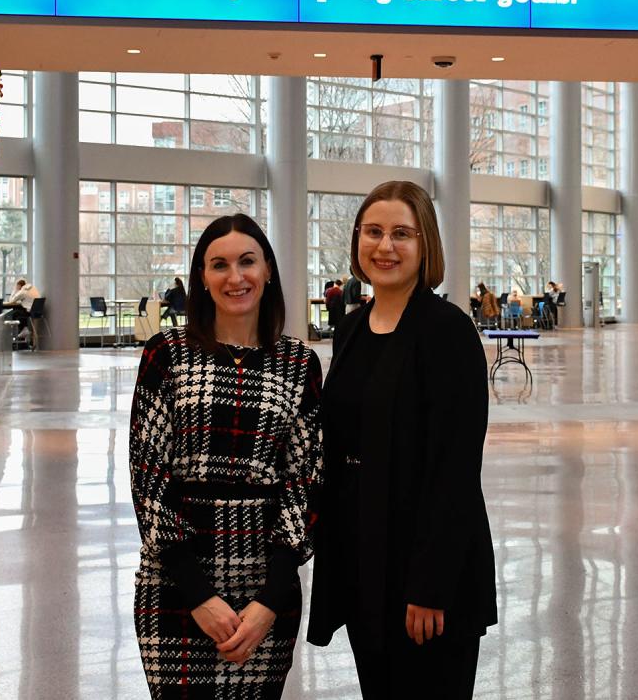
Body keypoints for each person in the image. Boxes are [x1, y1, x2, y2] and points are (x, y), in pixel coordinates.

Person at [308, 180, 496, 698]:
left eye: (400, 234)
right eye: (373, 232)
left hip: (425, 568)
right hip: (366, 557)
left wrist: (430, 585)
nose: (384, 246)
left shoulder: (447, 332)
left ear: (424, 244)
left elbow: (456, 469)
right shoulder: (351, 329)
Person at [130, 213, 323, 699]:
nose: (235, 277)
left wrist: (272, 597)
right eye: (219, 265)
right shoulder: (166, 354)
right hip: (176, 580)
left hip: (265, 582)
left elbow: (304, 479)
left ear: (269, 270)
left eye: (247, 262)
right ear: (202, 277)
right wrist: (198, 594)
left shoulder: (299, 363)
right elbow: (148, 475)